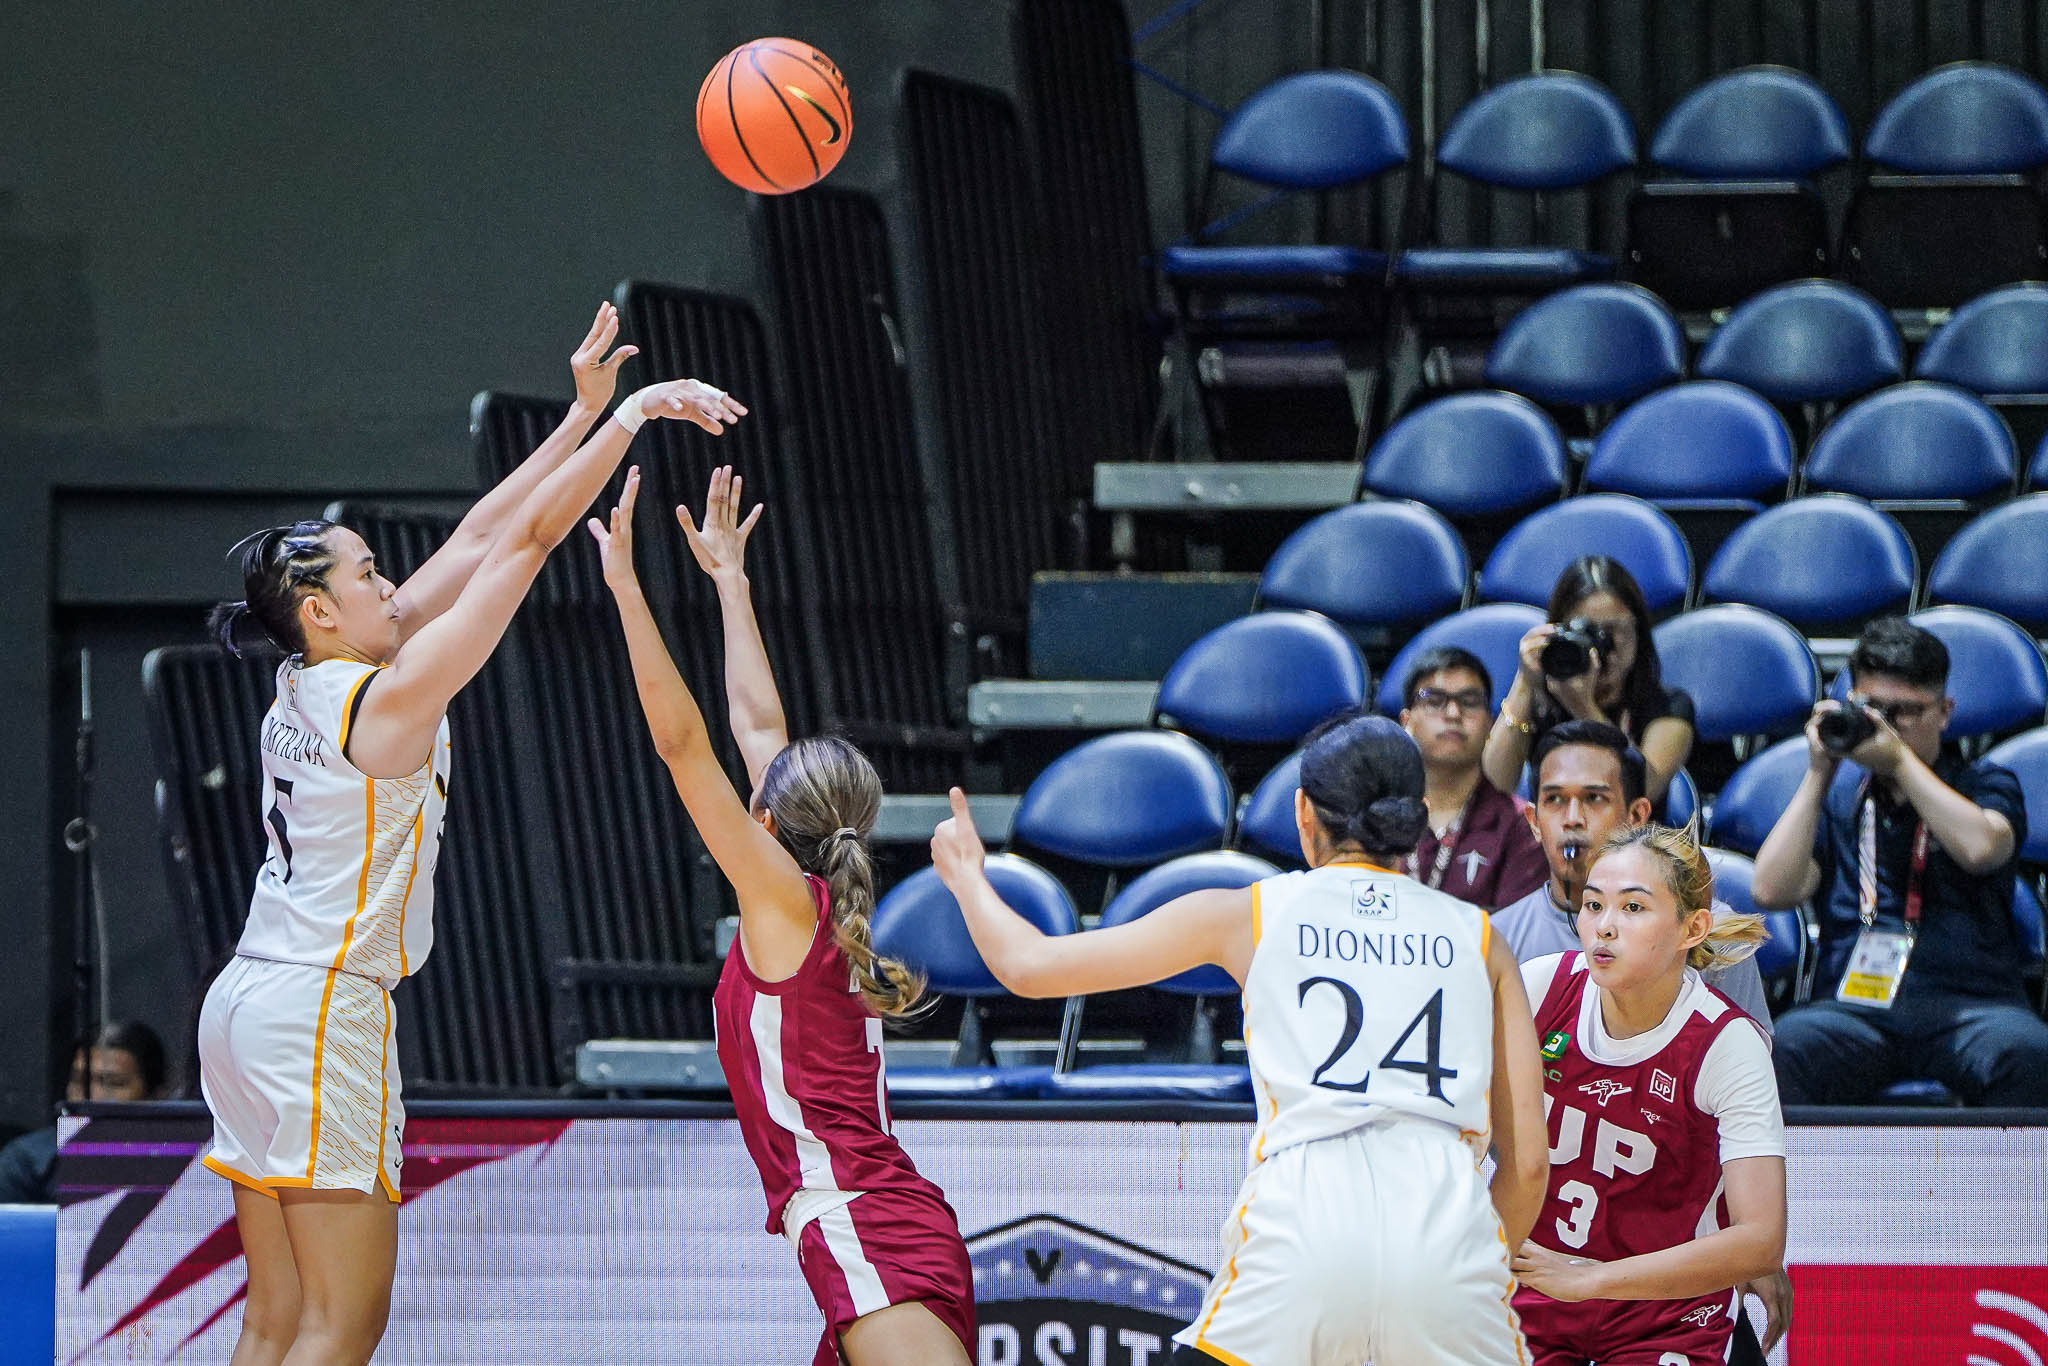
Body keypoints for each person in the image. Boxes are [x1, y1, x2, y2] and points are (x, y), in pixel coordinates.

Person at [197, 303, 742, 1366]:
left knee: (272, 1321)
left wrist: (575, 417)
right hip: (318, 1010)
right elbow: (530, 542)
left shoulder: (303, 682)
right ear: (320, 611)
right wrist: (628, 416)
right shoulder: (386, 705)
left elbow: (478, 534)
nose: (390, 582)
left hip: (245, 1002)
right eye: (365, 574)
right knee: (341, 1324)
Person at [930, 710, 1551, 1366]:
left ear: (1303, 812)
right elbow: (1529, 1166)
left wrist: (969, 875)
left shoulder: (1249, 914)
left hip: (1306, 1223)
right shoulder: (1482, 938)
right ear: (1417, 814)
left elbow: (1028, 967)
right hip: (1445, 1229)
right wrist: (1456, 1264)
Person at [592, 466, 975, 1366]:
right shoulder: (822, 903)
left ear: (766, 821)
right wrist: (731, 583)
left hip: (863, 1225)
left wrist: (627, 591)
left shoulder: (785, 904)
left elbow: (685, 745)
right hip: (881, 1221)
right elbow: (758, 724)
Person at [1492, 721, 1789, 1361]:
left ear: (1692, 929)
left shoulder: (1726, 1044)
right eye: (1593, 906)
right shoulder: (1540, 986)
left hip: (1667, 1309)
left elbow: (1762, 1240)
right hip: (1535, 1293)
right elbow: (1458, 1129)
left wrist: (1589, 1281)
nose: (1602, 927)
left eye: (1632, 909)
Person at [1753, 617, 2048, 1107]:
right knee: (1784, 1048)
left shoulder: (1984, 783)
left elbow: (1982, 850)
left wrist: (1899, 764)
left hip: (1972, 1009)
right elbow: (1771, 890)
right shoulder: (1841, 798)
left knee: (2030, 1054)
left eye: (1906, 712)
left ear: (1945, 712)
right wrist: (1819, 772)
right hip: (1855, 1011)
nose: (1886, 726)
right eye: (1872, 709)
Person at [1484, 556, 1695, 804]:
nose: (1604, 647)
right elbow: (1492, 789)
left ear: (1638, 631)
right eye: (1589, 632)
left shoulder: (1669, 707)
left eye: (1614, 630)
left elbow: (1643, 789)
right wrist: (1524, 682)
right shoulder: (1543, 705)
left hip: (1632, 842)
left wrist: (1583, 706)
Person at [1399, 646, 1548, 909]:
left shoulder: (1521, 825)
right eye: (1434, 700)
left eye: (1469, 701)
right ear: (1406, 721)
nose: (1453, 714)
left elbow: (1514, 932)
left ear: (1490, 724)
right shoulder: (1376, 814)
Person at [0, 1021, 167, 1204]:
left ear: (155, 1094)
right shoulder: (27, 1162)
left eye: (113, 1083)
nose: (92, 1097)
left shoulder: (178, 1161)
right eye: (80, 1080)